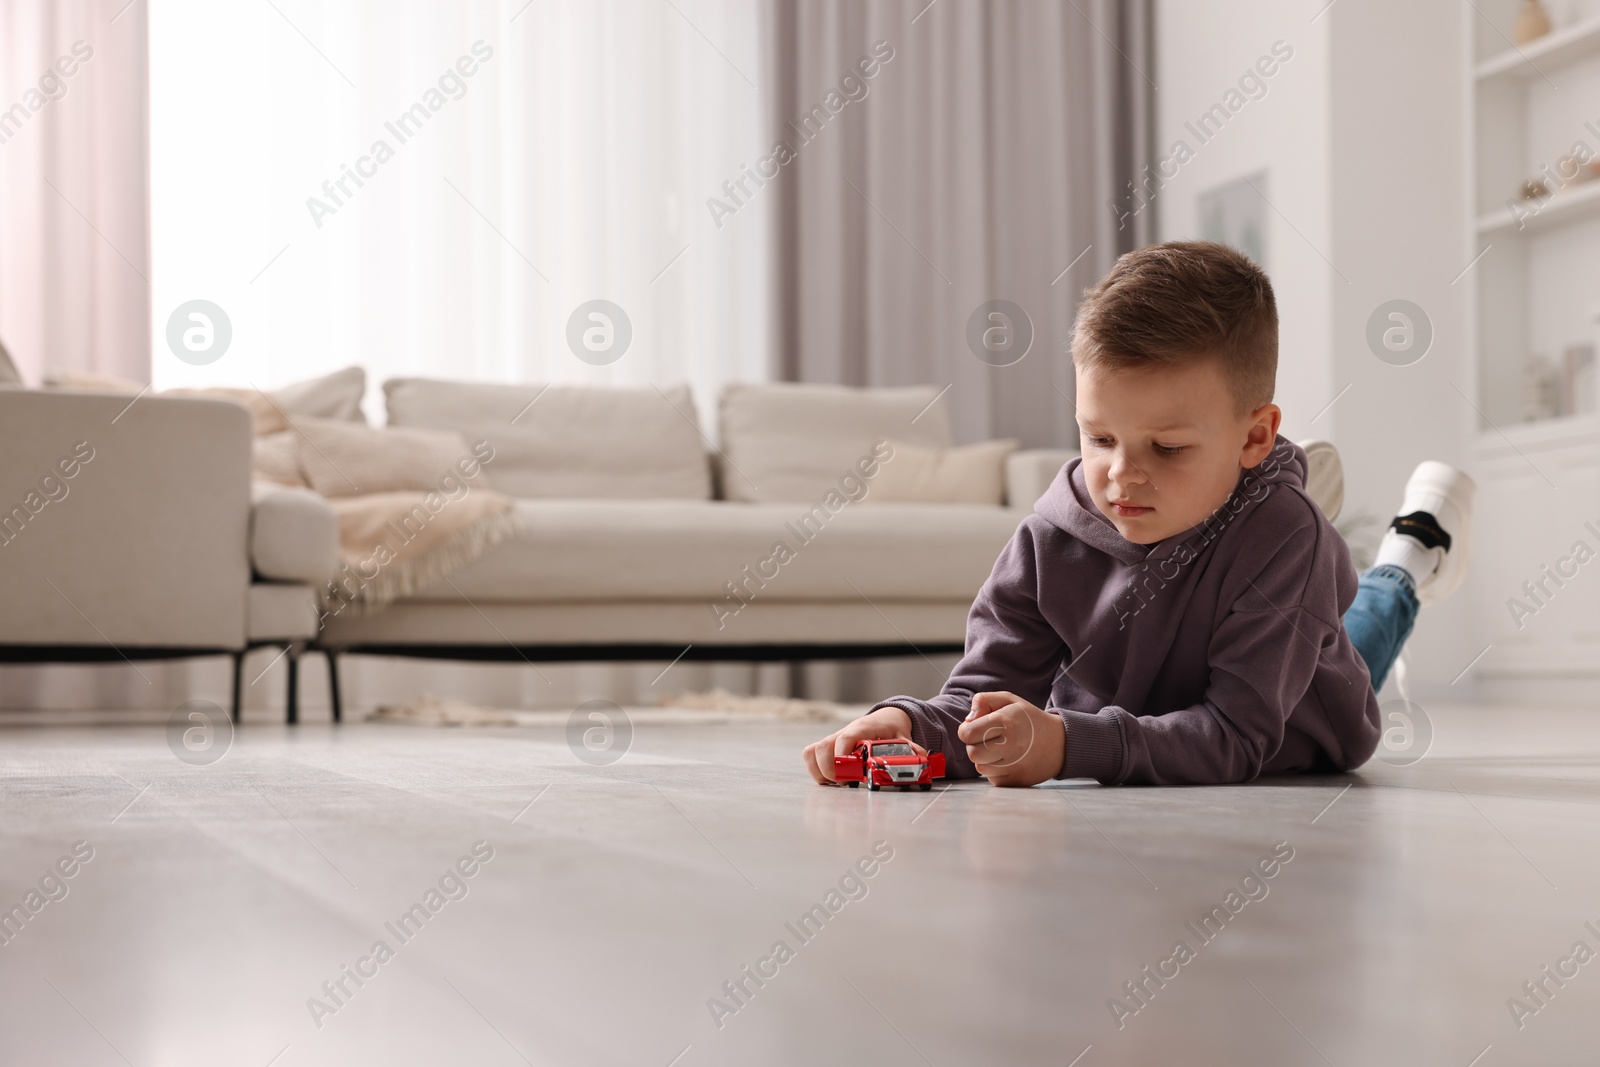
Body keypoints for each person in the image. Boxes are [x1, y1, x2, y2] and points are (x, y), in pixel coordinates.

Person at [801, 241, 1475, 787]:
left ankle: (1410, 551)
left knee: (1354, 640)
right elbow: (980, 699)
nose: (1122, 474)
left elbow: (1236, 737)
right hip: (1156, 704)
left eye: (1168, 446)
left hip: (1299, 722)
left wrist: (1069, 745)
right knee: (1325, 612)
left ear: (1253, 436)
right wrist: (909, 725)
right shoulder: (1047, 538)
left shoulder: (1285, 537)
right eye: (1099, 438)